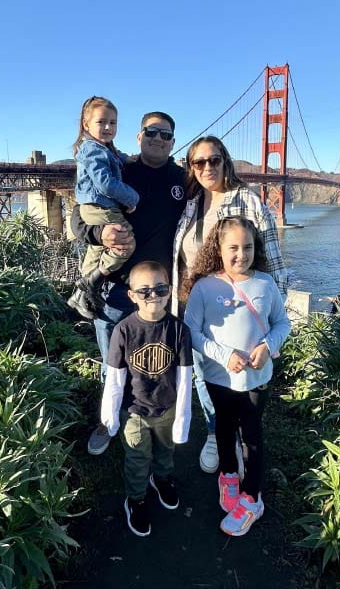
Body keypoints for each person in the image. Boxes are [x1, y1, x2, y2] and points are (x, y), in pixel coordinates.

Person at [70, 111, 187, 456]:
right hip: (118, 287)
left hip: (160, 294)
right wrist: (97, 232)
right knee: (112, 362)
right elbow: (79, 215)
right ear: (139, 137)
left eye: (165, 134)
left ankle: (154, 419)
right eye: (151, 132)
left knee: (158, 362)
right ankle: (108, 423)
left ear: (172, 142)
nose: (158, 138)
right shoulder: (121, 170)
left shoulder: (184, 178)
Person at [171, 135, 288, 475]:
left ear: (226, 161)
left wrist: (272, 335)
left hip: (238, 311)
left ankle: (238, 437)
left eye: (214, 160)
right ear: (191, 168)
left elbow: (274, 264)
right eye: (199, 162)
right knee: (205, 373)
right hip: (194, 304)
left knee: (241, 383)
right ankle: (215, 431)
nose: (207, 167)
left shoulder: (249, 201)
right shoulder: (191, 203)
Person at [183, 217, 291, 536]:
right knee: (225, 429)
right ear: (218, 248)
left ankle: (251, 498)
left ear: (256, 249)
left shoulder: (265, 284)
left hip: (256, 379)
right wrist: (223, 355)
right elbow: (191, 330)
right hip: (219, 378)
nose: (240, 255)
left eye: (248, 247)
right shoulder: (205, 287)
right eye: (233, 247)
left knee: (252, 437)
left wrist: (267, 346)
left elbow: (282, 324)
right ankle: (228, 474)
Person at [100, 261, 193, 537]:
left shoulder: (179, 330)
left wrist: (182, 420)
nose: (153, 296)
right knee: (137, 458)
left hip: (167, 408)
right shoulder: (123, 330)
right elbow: (114, 379)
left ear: (170, 291)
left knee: (166, 451)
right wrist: (111, 418)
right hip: (135, 411)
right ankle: (136, 499)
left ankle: (162, 479)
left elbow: (185, 378)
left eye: (160, 288)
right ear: (131, 296)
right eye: (144, 291)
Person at [67, 97, 139, 320]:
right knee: (125, 244)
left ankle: (80, 293)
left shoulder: (102, 148)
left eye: (113, 122)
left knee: (98, 249)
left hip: (95, 206)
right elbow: (105, 183)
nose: (108, 127)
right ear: (86, 125)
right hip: (101, 206)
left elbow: (118, 158)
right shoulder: (92, 149)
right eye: (101, 122)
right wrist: (132, 197)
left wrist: (133, 159)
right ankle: (90, 283)